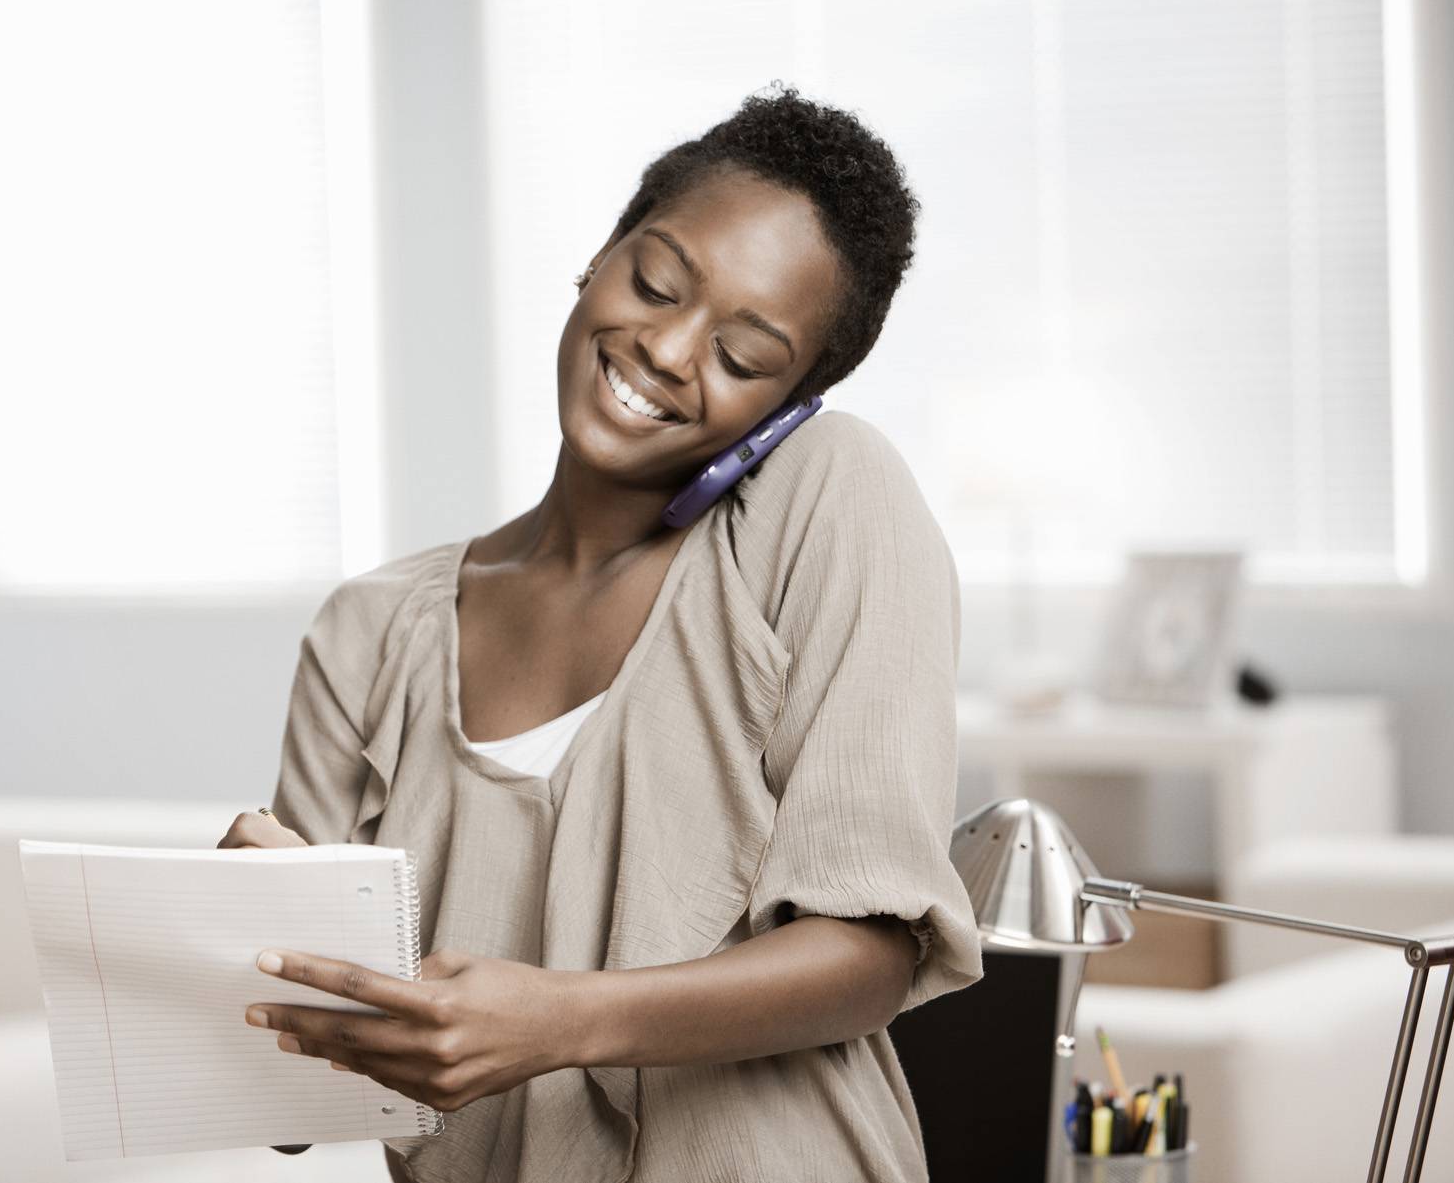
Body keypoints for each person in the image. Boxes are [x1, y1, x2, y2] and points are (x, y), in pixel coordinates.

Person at [218, 81, 984, 1182]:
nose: (670, 350)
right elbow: (299, 1101)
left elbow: (869, 952)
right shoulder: (370, 630)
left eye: (745, 354)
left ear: (793, 403)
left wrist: (562, 1021)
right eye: (657, 281)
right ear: (601, 254)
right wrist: (248, 943)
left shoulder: (827, 499)